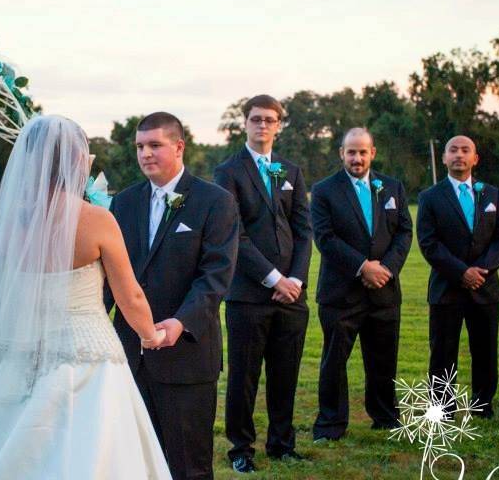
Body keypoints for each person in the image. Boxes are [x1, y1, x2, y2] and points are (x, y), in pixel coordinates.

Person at [0, 115, 171, 479]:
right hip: (89, 353)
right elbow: (129, 294)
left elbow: (10, 293)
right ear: (75, 161)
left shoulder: (13, 220)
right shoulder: (96, 219)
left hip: (26, 353)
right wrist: (150, 336)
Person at [109, 112, 239, 480]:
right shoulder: (124, 203)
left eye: (154, 145)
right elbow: (112, 276)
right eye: (139, 146)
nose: (145, 154)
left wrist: (180, 323)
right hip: (130, 358)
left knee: (189, 466)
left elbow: (215, 277)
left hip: (187, 358)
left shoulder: (215, 202)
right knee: (138, 464)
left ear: (179, 146)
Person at [214, 95, 312, 473]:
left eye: (270, 120)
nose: (262, 125)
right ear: (245, 123)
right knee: (243, 378)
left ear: (278, 125)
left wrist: (296, 280)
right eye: (256, 119)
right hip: (249, 295)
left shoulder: (290, 171)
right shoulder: (229, 171)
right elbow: (234, 233)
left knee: (285, 374)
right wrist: (273, 278)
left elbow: (304, 230)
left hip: (291, 295)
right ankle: (240, 449)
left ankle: (282, 444)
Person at [310, 127, 413, 441]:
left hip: (384, 290)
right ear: (342, 153)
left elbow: (404, 232)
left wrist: (386, 269)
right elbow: (325, 238)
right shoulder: (324, 190)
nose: (357, 158)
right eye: (351, 152)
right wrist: (362, 267)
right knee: (334, 361)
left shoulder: (392, 187)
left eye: (362, 152)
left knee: (383, 359)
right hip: (341, 293)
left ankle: (385, 416)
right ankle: (330, 425)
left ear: (373, 153)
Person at [416, 135, 499, 417]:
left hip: (485, 286)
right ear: (444, 158)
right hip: (447, 287)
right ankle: (443, 408)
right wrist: (461, 272)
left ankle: (483, 405)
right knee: (443, 352)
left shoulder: (492, 195)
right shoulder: (430, 197)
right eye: (453, 150)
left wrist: (482, 270)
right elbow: (429, 243)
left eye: (465, 150)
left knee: (485, 350)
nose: (459, 154)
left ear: (475, 158)